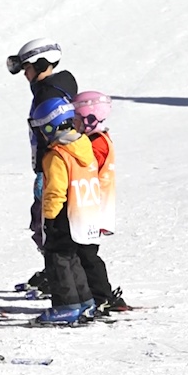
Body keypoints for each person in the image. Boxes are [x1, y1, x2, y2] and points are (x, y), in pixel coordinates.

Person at [6, 38, 78, 296]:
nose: (25, 74)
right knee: (44, 222)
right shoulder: (50, 89)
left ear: (41, 64)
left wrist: (47, 168)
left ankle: (62, 277)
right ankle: (56, 272)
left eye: (27, 68)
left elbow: (59, 137)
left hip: (54, 168)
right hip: (50, 166)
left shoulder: (50, 94)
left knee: (48, 224)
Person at [29, 97, 99, 324]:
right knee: (72, 258)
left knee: (57, 260)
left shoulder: (57, 154)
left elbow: (55, 191)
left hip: (62, 214)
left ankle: (66, 305)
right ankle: (85, 300)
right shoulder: (83, 146)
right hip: (83, 211)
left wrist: (49, 218)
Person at [72, 91, 127, 312]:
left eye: (76, 119)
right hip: (92, 203)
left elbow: (85, 169)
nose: (73, 124)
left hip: (92, 206)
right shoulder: (98, 139)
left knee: (86, 253)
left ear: (90, 118)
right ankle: (94, 294)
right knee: (83, 252)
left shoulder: (96, 144)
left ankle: (103, 296)